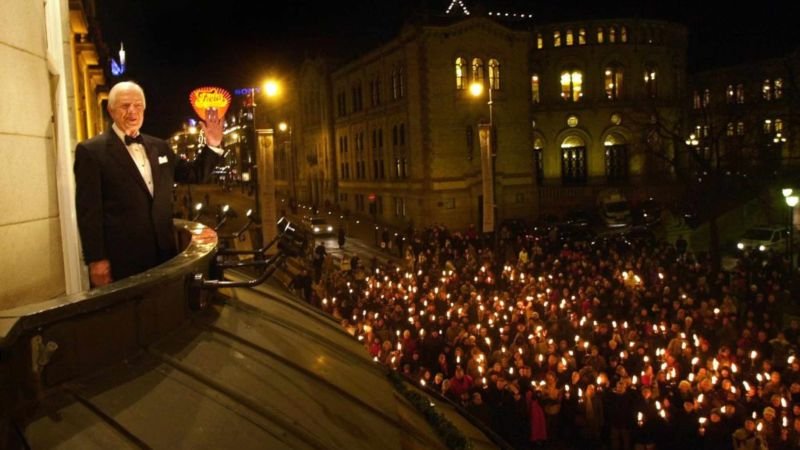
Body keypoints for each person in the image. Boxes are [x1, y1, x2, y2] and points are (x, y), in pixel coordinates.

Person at [74, 81, 223, 287]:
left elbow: (193, 174)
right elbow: (88, 211)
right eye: (125, 106)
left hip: (163, 253)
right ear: (111, 109)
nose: (132, 111)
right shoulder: (91, 151)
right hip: (122, 259)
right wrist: (96, 260)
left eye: (138, 105)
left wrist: (212, 146)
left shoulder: (159, 146)